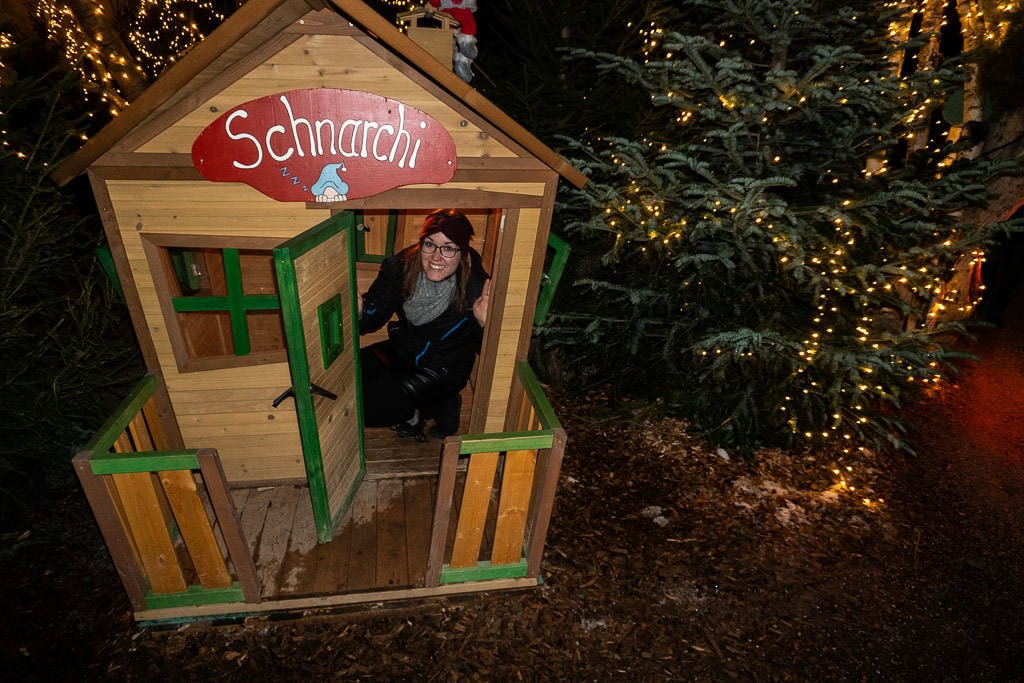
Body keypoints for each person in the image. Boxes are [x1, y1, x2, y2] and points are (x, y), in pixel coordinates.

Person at [358, 209, 490, 438]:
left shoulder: (476, 288)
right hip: (404, 349)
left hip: (443, 367)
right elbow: (374, 315)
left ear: (462, 251)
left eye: (448, 248)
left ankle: (439, 404)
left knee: (367, 410)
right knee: (347, 374)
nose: (437, 257)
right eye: (430, 245)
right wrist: (359, 311)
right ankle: (416, 407)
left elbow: (488, 350)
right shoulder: (400, 266)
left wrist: (483, 324)